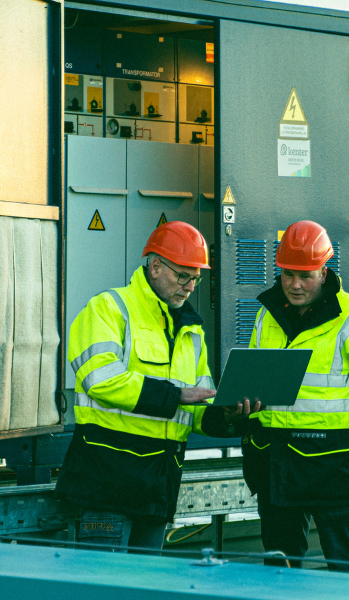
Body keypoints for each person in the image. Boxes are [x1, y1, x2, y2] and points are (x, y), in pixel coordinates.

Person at [55, 221, 252, 551]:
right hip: (108, 485)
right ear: (156, 266)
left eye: (196, 279)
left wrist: (229, 415)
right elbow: (100, 380)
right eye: (183, 276)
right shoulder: (108, 309)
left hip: (157, 489)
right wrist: (175, 395)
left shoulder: (192, 332)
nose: (190, 287)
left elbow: (197, 412)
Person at [242, 220, 349, 573]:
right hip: (278, 467)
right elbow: (257, 392)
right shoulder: (265, 315)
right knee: (278, 571)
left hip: (333, 469)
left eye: (306, 275)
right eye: (287, 274)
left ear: (325, 271)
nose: (295, 285)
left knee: (343, 572)